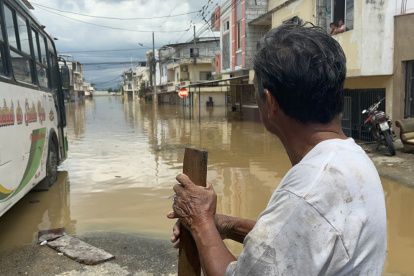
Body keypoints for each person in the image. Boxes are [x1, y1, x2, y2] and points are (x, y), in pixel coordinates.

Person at [167, 22, 387, 275]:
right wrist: (225, 225)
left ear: (269, 102)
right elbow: (303, 239)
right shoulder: (352, 158)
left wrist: (200, 222)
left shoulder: (307, 192)